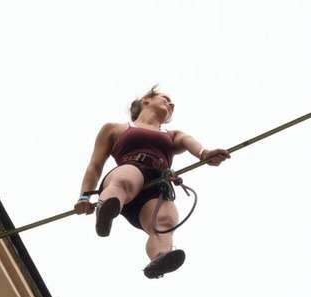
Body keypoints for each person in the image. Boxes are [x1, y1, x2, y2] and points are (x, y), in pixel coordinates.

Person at [75, 86, 230, 278]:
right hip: (130, 169)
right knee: (126, 180)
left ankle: (159, 258)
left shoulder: (172, 135)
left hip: (157, 184)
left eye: (172, 104)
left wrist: (204, 154)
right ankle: (105, 209)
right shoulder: (114, 128)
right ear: (146, 99)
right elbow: (95, 166)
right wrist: (84, 196)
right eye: (165, 98)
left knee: (165, 221)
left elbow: (190, 142)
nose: (170, 104)